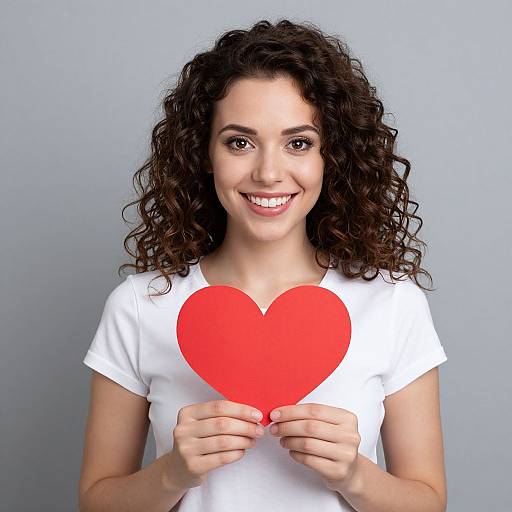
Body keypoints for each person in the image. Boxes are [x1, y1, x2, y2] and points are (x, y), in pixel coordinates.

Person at [79, 19, 448, 512]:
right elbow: (96, 501)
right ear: (204, 153)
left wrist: (354, 474)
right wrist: (173, 472)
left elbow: (428, 502)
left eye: (298, 142)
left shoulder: (392, 302)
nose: (269, 173)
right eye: (239, 142)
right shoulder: (141, 305)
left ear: (328, 156)